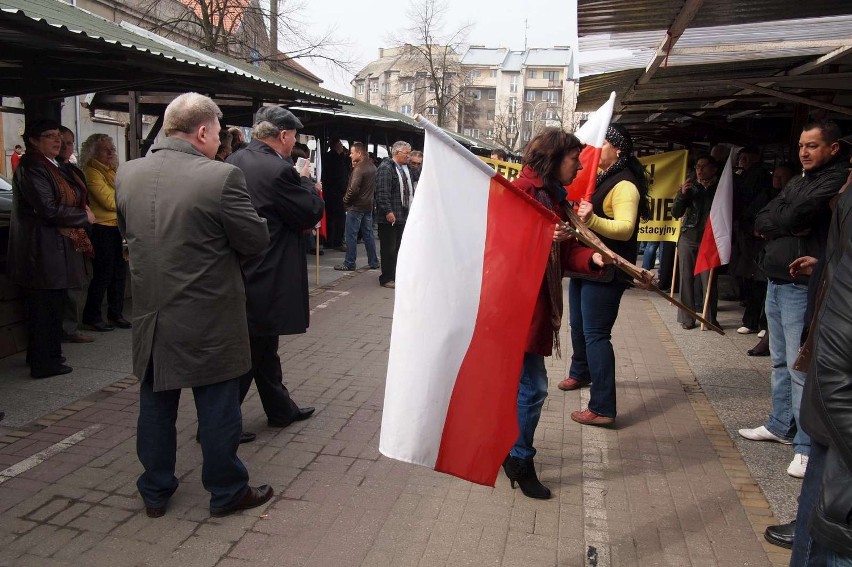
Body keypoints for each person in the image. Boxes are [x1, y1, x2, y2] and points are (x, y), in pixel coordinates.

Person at [116, 92, 272, 518]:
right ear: (202, 131)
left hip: (152, 313)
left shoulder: (126, 173)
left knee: (156, 407)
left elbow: (129, 232)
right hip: (209, 315)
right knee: (218, 407)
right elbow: (255, 241)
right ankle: (226, 491)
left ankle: (155, 489)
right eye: (218, 133)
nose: (220, 140)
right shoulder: (219, 178)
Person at [503, 127, 609, 499]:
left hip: (537, 309)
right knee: (533, 388)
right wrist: (539, 238)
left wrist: (593, 257)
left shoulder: (553, 197)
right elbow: (497, 249)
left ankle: (511, 450)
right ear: (552, 158)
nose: (580, 166)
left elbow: (564, 255)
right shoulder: (520, 194)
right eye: (573, 159)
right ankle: (518, 457)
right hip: (515, 311)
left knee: (522, 388)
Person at [739, 120, 846, 479]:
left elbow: (799, 213)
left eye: (813, 146)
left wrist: (781, 217)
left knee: (801, 366)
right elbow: (764, 216)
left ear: (833, 149)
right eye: (801, 145)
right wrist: (782, 218)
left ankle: (804, 445)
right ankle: (781, 424)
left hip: (804, 285)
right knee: (780, 360)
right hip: (778, 279)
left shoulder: (836, 179)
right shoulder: (799, 180)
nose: (804, 152)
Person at [227, 105, 323, 429]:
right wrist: (308, 184)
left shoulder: (235, 159)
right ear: (283, 135)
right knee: (253, 350)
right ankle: (219, 424)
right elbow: (309, 212)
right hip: (269, 268)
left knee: (264, 346)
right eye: (293, 137)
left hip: (241, 266)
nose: (293, 143)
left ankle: (281, 409)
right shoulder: (280, 170)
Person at [561, 124, 652, 427]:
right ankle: (580, 371)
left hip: (608, 270)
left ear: (619, 150)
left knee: (596, 335)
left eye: (603, 144)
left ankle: (602, 407)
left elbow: (626, 229)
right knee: (578, 326)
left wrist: (593, 219)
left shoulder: (624, 184)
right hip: (586, 264)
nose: (595, 149)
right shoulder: (598, 178)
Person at [7, 118, 94, 378]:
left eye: (58, 135)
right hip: (41, 249)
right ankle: (45, 362)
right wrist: (84, 217)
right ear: (33, 140)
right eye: (49, 136)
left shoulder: (53, 166)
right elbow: (47, 208)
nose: (56, 141)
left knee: (52, 306)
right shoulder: (32, 166)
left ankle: (46, 356)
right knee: (44, 308)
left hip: (53, 248)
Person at [80, 134, 130, 332]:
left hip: (117, 227)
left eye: (112, 149)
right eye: (105, 149)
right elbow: (109, 201)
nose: (110, 152)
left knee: (119, 273)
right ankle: (92, 315)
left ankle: (115, 313)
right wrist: (126, 198)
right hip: (102, 228)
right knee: (103, 273)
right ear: (93, 152)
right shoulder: (91, 172)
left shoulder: (114, 170)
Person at [746, 163, 795, 357]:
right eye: (776, 176)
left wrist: (778, 226)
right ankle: (754, 323)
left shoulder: (797, 193)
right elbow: (759, 219)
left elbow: (795, 220)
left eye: (783, 177)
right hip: (767, 254)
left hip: (789, 263)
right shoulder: (768, 195)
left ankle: (767, 334)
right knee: (760, 288)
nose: (778, 181)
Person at [671, 155, 720, 330]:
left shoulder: (721, 187)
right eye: (698, 166)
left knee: (709, 280)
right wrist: (682, 195)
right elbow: (675, 213)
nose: (700, 170)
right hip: (688, 236)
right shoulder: (690, 186)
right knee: (685, 278)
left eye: (704, 166)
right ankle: (687, 318)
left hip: (710, 239)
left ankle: (709, 317)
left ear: (714, 169)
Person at [57, 126, 95, 345]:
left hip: (78, 233)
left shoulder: (72, 170)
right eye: (61, 141)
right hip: (62, 233)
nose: (64, 146)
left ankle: (69, 327)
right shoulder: (45, 169)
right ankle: (63, 329)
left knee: (76, 282)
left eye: (70, 142)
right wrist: (83, 216)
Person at [375, 141, 419, 289]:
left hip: (402, 215)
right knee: (389, 248)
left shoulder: (405, 168)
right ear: (396, 153)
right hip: (389, 217)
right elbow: (382, 192)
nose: (408, 156)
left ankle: (396, 275)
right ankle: (386, 278)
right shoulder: (386, 168)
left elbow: (418, 175)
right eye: (407, 153)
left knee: (399, 248)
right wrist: (388, 211)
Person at [335, 142, 379, 271]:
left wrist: (345, 201)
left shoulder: (359, 168)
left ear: (359, 153)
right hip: (368, 205)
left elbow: (353, 189)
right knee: (368, 234)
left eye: (352, 153)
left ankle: (349, 262)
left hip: (356, 206)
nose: (350, 155)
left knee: (351, 235)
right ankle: (373, 261)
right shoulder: (372, 167)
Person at [321, 137, 350, 251]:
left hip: (327, 192)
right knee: (339, 218)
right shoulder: (338, 159)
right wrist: (344, 191)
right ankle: (337, 241)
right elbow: (341, 177)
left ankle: (328, 241)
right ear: (338, 146)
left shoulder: (325, 157)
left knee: (329, 217)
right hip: (338, 193)